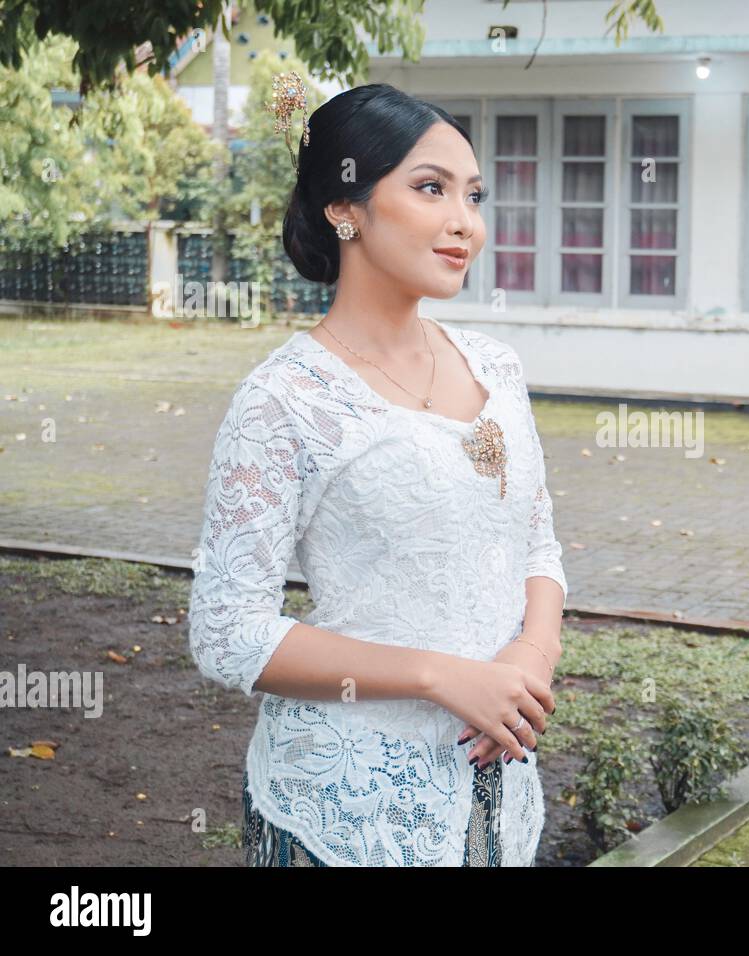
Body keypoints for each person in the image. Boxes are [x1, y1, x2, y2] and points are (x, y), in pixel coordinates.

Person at [188, 79, 567, 867]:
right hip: (347, 811)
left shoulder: (496, 369)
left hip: (500, 794)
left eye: (473, 195)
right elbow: (227, 635)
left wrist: (528, 661)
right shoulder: (285, 400)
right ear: (345, 207)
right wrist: (440, 677)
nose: (465, 222)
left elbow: (536, 545)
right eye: (430, 189)